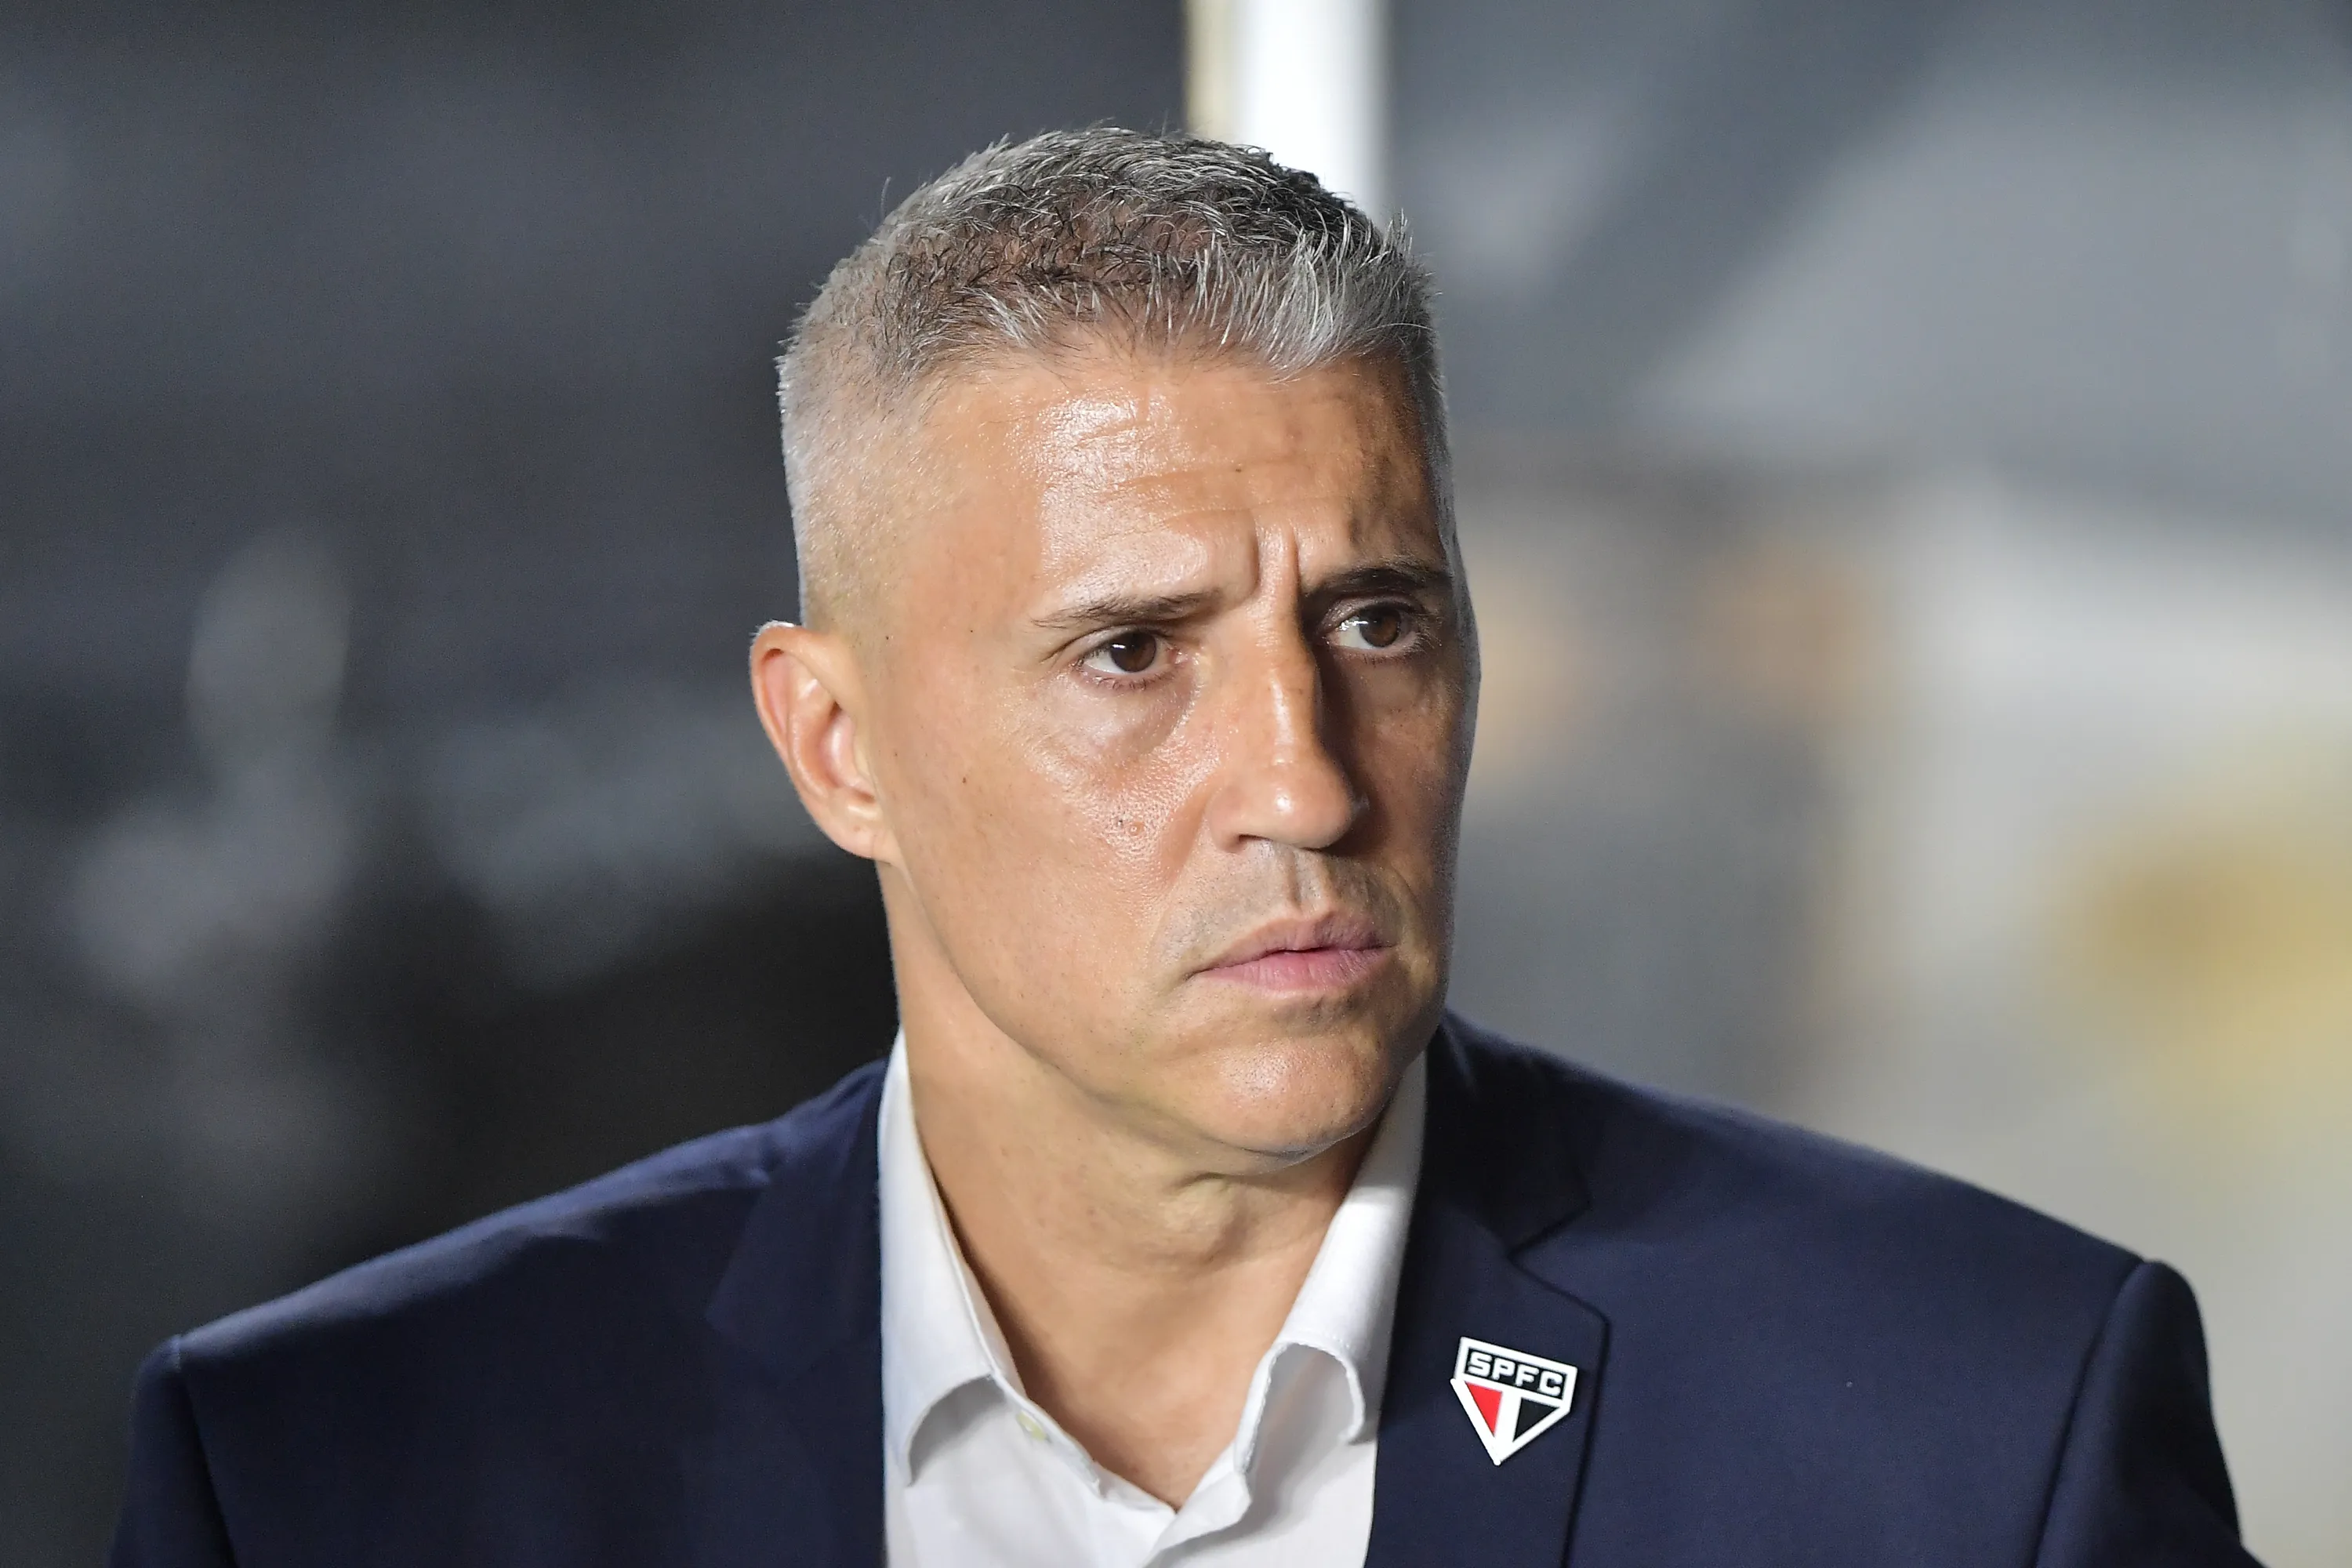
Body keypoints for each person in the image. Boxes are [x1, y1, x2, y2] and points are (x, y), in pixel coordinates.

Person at [111, 128, 2258, 1568]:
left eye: (1379, 623)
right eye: (1134, 653)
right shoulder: (340, 1480)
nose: (1306, 784)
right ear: (838, 748)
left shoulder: (1977, 1437)